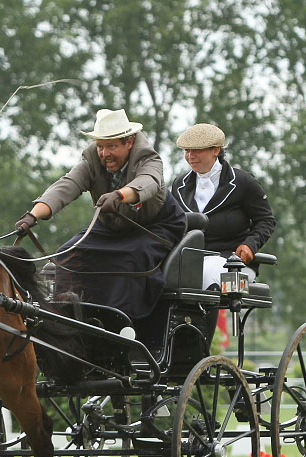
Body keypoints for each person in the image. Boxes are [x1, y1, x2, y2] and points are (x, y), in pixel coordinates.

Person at [16, 108, 187, 322]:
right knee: (67, 255)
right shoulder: (92, 162)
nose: (105, 154)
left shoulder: (149, 159)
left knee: (130, 259)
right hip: (111, 227)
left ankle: (121, 324)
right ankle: (66, 320)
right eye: (100, 146)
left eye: (112, 146)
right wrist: (33, 216)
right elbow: (67, 186)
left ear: (129, 142)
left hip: (154, 227)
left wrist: (120, 195)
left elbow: (148, 182)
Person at [169, 123, 275, 291]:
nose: (190, 156)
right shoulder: (179, 185)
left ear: (216, 150)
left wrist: (250, 245)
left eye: (197, 150)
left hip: (232, 262)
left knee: (204, 277)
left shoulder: (243, 182)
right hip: (188, 260)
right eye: (187, 151)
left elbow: (266, 220)